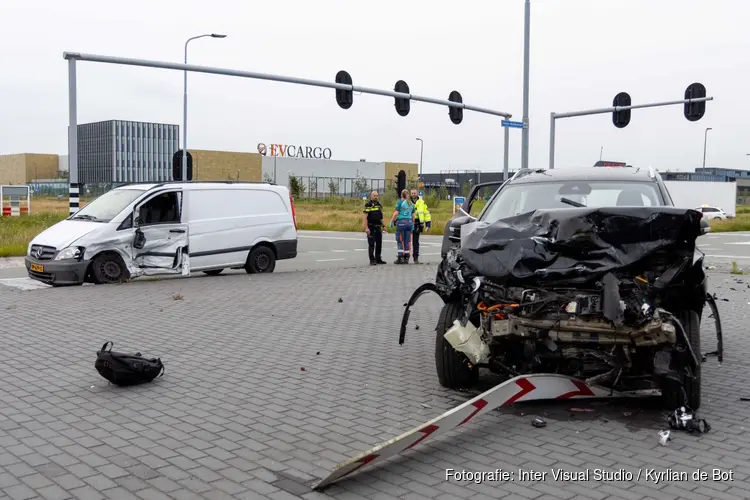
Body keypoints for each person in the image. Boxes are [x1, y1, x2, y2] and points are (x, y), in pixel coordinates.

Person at [389, 189, 415, 264]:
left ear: (401, 195)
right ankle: (406, 257)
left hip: (401, 222)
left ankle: (400, 257)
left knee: (400, 240)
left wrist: (392, 221)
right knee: (407, 240)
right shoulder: (411, 203)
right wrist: (412, 224)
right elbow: (413, 215)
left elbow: (396, 214)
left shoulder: (400, 202)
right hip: (409, 222)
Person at [363, 191, 386, 265]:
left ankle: (378, 258)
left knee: (379, 243)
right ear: (371, 196)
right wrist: (366, 228)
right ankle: (372, 259)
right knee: (371, 243)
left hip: (378, 226)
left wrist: (384, 226)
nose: (376, 197)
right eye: (374, 195)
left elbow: (381, 217)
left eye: (377, 195)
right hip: (371, 226)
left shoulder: (379, 205)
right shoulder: (368, 205)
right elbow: (365, 217)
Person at [409, 189, 432, 264]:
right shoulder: (407, 202)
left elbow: (426, 213)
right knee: (406, 241)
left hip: (418, 223)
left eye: (414, 193)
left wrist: (428, 223)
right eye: (412, 193)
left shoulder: (422, 202)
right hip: (408, 222)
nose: (413, 194)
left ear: (417, 193)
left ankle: (416, 258)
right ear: (410, 194)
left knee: (416, 242)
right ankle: (404, 257)